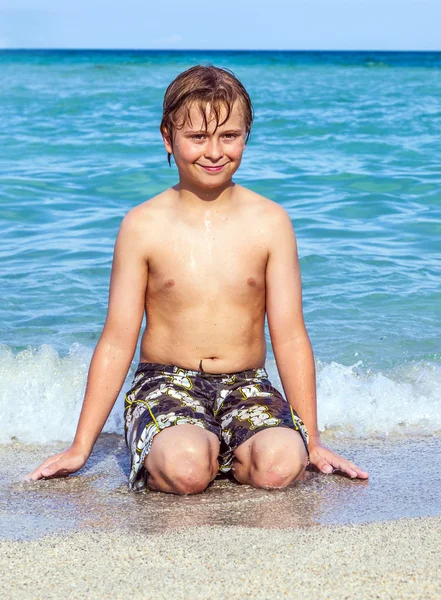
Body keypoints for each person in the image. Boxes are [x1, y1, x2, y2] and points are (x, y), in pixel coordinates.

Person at [26, 65, 368, 493]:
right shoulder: (142, 225)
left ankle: (233, 455)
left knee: (282, 466)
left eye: (229, 136)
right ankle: (196, 452)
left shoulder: (271, 222)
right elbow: (117, 338)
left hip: (247, 384)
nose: (214, 151)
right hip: (166, 382)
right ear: (168, 137)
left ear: (246, 136)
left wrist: (312, 439)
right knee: (187, 470)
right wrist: (80, 447)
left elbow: (290, 335)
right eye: (197, 137)